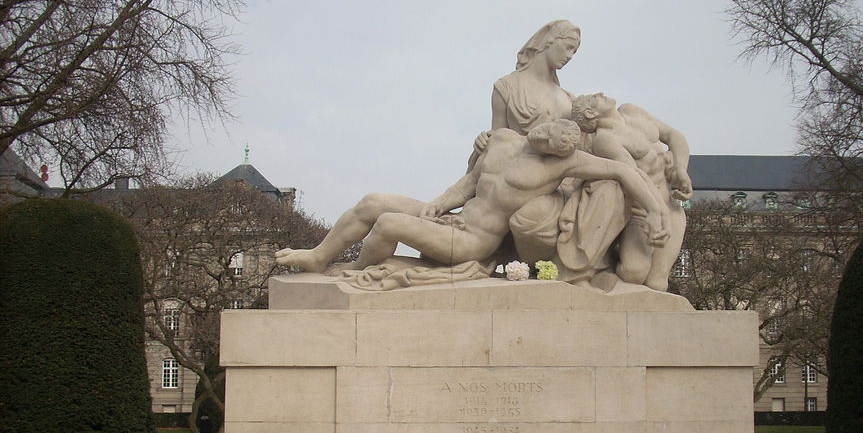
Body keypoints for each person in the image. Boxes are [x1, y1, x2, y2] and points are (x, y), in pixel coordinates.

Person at [274, 119, 669, 273]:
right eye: (545, 131)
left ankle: (355, 272)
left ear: (559, 153)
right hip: (451, 217)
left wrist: (655, 210)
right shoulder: (502, 139)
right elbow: (468, 184)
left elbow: (621, 170)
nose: (541, 138)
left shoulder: (563, 165)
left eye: (549, 143)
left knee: (388, 223)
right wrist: (441, 202)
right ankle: (319, 256)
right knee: (374, 202)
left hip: (472, 241)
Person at [569, 92, 693, 291]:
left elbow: (673, 135)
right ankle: (607, 266)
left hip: (671, 206)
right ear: (591, 113)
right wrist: (656, 211)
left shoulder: (632, 111)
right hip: (643, 211)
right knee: (634, 273)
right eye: (595, 98)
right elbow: (634, 176)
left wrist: (681, 169)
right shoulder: (605, 140)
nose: (600, 93)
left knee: (657, 283)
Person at [467, 20, 581, 169]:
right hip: (517, 171)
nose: (570, 55)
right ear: (550, 40)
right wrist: (484, 140)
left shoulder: (569, 100)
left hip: (559, 176)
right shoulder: (507, 87)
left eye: (574, 51)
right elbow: (498, 137)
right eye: (568, 47)